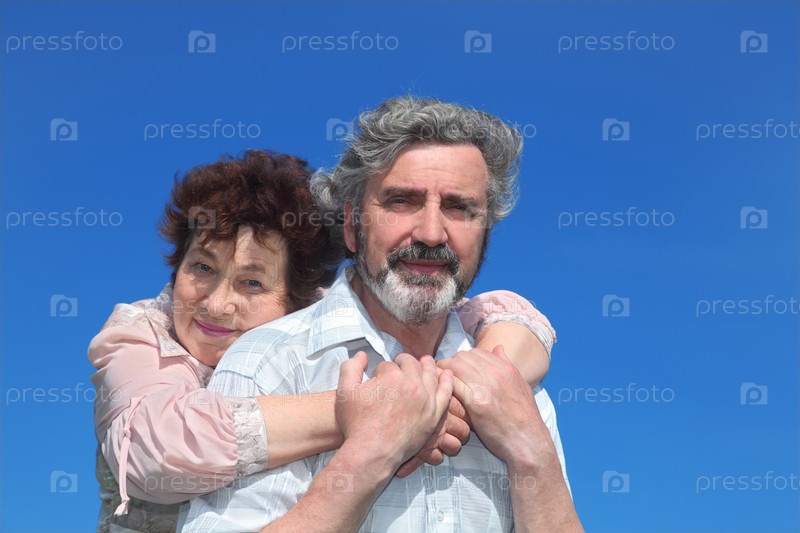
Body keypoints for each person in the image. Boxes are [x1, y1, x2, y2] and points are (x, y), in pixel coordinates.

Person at [88, 149, 558, 532]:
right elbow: (155, 451)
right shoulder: (142, 333)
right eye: (202, 268)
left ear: (297, 298)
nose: (217, 304)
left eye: (252, 283)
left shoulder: (320, 331)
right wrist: (377, 412)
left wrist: (447, 390)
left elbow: (509, 312)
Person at [180, 97, 582, 532]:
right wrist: (371, 452)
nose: (431, 233)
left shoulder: (514, 384)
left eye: (458, 208)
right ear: (352, 225)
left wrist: (533, 455)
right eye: (401, 201)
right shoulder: (267, 362)